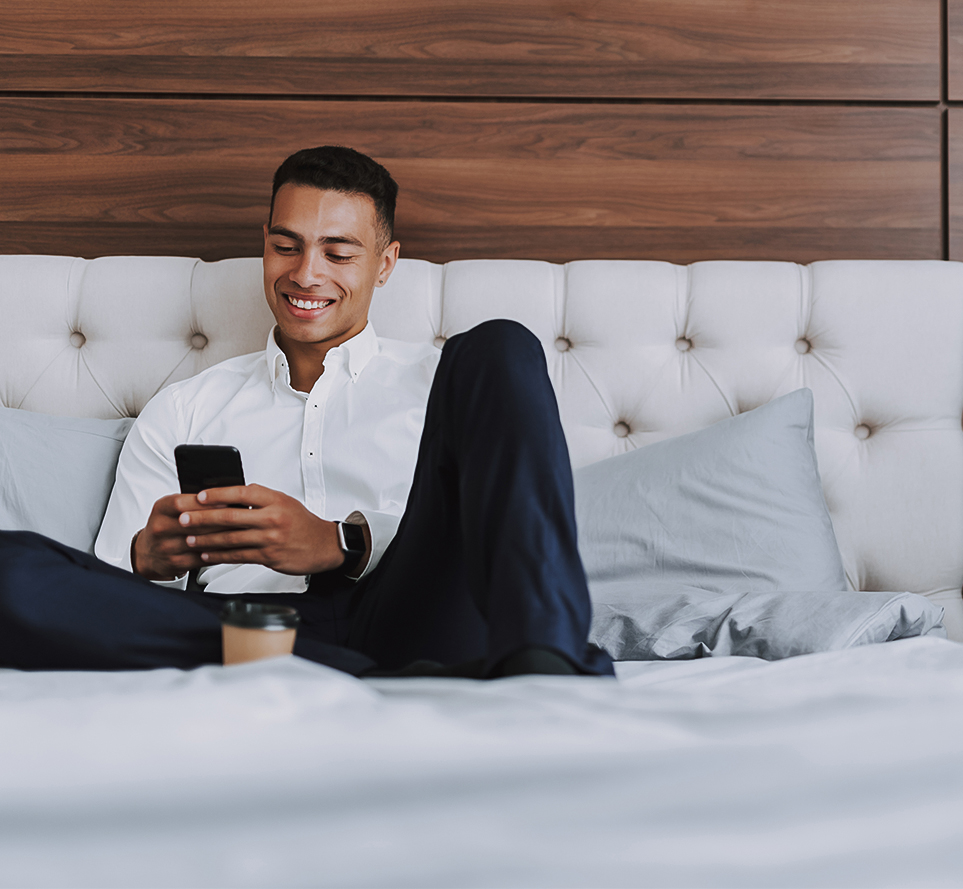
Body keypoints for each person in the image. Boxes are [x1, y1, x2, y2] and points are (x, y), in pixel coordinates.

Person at [0, 146, 613, 679]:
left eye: (338, 253)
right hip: (238, 633)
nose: (305, 274)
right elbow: (103, 585)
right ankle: (371, 681)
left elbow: (505, 527)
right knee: (14, 566)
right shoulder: (185, 408)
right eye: (284, 246)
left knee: (500, 343)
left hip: (417, 615)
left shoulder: (448, 386)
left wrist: (342, 543)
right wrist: (149, 559)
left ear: (386, 262)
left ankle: (544, 665)